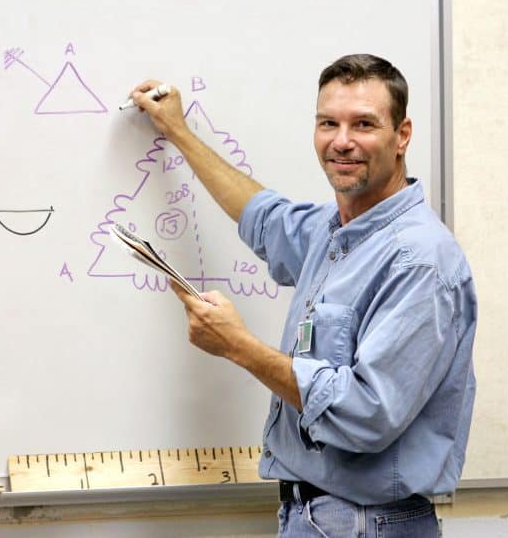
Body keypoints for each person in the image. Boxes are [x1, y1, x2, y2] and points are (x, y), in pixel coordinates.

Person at [128, 54, 476, 537]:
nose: (341, 141)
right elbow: (263, 216)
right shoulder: (334, 233)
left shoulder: (419, 261)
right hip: (319, 518)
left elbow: (368, 413)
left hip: (366, 524)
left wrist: (239, 347)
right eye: (327, 123)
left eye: (364, 124)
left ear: (403, 135)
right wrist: (180, 133)